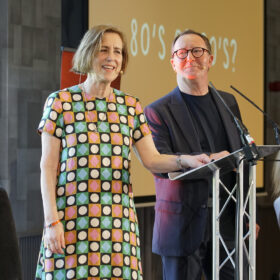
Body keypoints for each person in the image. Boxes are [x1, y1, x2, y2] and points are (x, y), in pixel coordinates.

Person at [35, 25, 210, 280]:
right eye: (103, 49)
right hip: (70, 223)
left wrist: (185, 160)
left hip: (117, 226)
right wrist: (51, 222)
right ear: (87, 54)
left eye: (117, 52)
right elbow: (47, 167)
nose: (111, 57)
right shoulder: (60, 102)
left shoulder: (130, 106)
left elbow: (152, 159)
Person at [144, 29, 260, 280]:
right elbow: (160, 163)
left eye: (197, 51)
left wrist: (249, 214)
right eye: (182, 53)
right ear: (173, 63)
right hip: (181, 223)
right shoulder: (157, 111)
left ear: (210, 59)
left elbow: (245, 156)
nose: (190, 58)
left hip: (228, 220)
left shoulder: (228, 102)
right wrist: (209, 157)